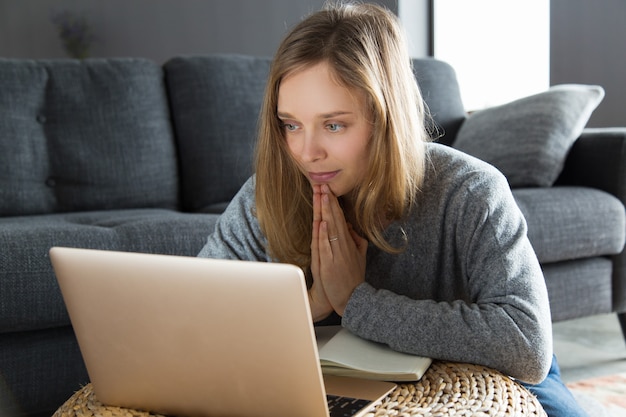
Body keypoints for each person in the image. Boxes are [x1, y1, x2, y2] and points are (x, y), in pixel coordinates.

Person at [197, 2, 587, 416]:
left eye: (334, 125)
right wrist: (309, 304)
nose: (306, 152)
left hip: (486, 374)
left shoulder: (471, 191)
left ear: (385, 118)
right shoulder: (265, 195)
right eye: (291, 125)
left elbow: (526, 347)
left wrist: (357, 302)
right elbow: (194, 323)